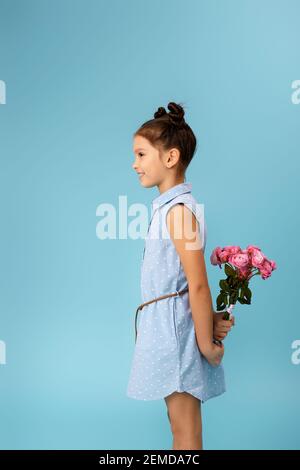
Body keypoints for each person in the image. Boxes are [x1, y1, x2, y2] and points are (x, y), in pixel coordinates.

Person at [127, 102, 234, 450]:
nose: (135, 164)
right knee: (179, 427)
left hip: (177, 339)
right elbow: (184, 288)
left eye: (142, 155)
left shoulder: (178, 214)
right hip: (168, 331)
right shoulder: (168, 212)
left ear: (170, 158)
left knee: (186, 432)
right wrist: (210, 319)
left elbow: (199, 284)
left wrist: (205, 344)